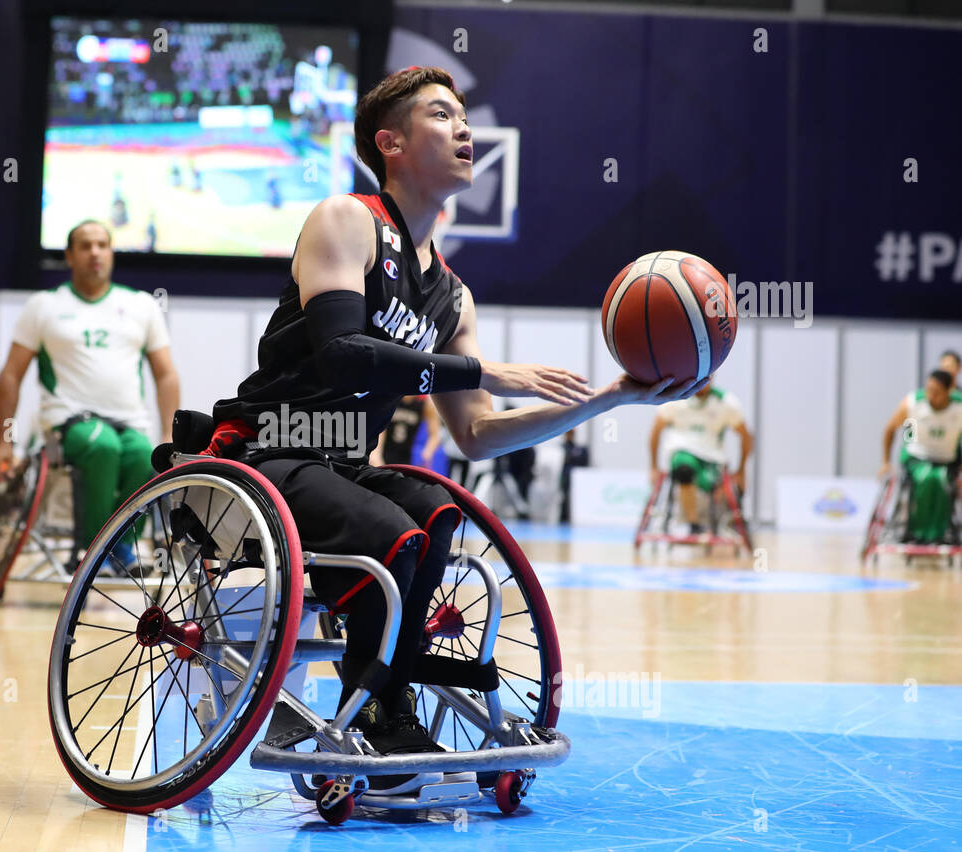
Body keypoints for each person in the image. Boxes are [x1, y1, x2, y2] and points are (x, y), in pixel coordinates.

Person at [208, 67, 703, 794]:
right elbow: (342, 354)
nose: (465, 129)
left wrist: (602, 402)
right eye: (442, 115)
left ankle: (383, 691)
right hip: (271, 451)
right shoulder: (346, 220)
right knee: (391, 531)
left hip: (343, 466)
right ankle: (381, 701)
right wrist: (486, 372)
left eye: (465, 116)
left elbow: (475, 437)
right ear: (393, 143)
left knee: (435, 514)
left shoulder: (451, 292)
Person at [0, 220, 180, 572]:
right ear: (69, 256)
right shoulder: (44, 305)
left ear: (111, 253)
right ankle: (97, 552)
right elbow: (11, 375)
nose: (95, 252)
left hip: (129, 423)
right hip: (68, 422)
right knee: (102, 446)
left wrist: (169, 434)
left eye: (102, 245)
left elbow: (165, 374)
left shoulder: (141, 305)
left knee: (143, 455)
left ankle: (119, 548)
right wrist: (4, 441)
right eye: (85, 245)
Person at [648, 378, 753, 533]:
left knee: (724, 486)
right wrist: (653, 467)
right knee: (684, 469)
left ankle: (726, 521)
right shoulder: (674, 398)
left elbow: (746, 436)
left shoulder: (726, 402)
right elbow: (656, 432)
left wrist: (741, 470)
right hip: (682, 453)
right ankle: (693, 525)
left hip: (712, 458)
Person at [879, 368, 962, 544]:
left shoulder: (959, 407)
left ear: (949, 392)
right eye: (928, 390)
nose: (930, 395)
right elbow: (889, 429)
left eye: (936, 392)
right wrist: (885, 462)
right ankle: (918, 531)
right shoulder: (914, 402)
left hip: (946, 459)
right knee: (928, 477)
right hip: (916, 456)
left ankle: (938, 532)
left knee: (941, 479)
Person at [371, 394, 442, 467]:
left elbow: (435, 435)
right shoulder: (390, 399)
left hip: (406, 455)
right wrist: (376, 454)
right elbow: (381, 430)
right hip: (384, 453)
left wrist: (427, 453)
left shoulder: (424, 403)